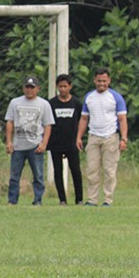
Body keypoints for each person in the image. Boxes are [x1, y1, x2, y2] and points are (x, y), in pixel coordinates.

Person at [76, 68, 128, 207]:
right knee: (92, 170)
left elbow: (122, 119)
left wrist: (124, 138)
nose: (101, 83)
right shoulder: (89, 97)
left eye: (104, 81)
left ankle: (107, 200)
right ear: (94, 80)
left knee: (109, 171)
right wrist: (79, 137)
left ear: (109, 81)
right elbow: (84, 119)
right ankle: (92, 200)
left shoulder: (116, 97)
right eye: (99, 81)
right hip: (93, 136)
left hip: (111, 137)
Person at [4, 76, 54, 206]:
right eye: (27, 87)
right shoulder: (15, 102)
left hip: (35, 145)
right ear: (23, 88)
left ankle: (38, 200)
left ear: (38, 89)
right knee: (14, 176)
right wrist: (9, 141)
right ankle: (12, 200)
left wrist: (44, 143)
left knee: (38, 175)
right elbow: (10, 122)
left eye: (32, 87)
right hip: (18, 145)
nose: (29, 90)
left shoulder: (44, 104)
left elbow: (48, 125)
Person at [47, 74, 84, 206]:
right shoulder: (51, 104)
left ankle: (79, 199)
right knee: (58, 171)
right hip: (56, 142)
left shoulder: (76, 103)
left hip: (72, 143)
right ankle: (62, 199)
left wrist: (79, 138)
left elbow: (82, 121)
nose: (62, 89)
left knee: (75, 170)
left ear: (70, 87)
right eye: (60, 87)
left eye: (65, 86)